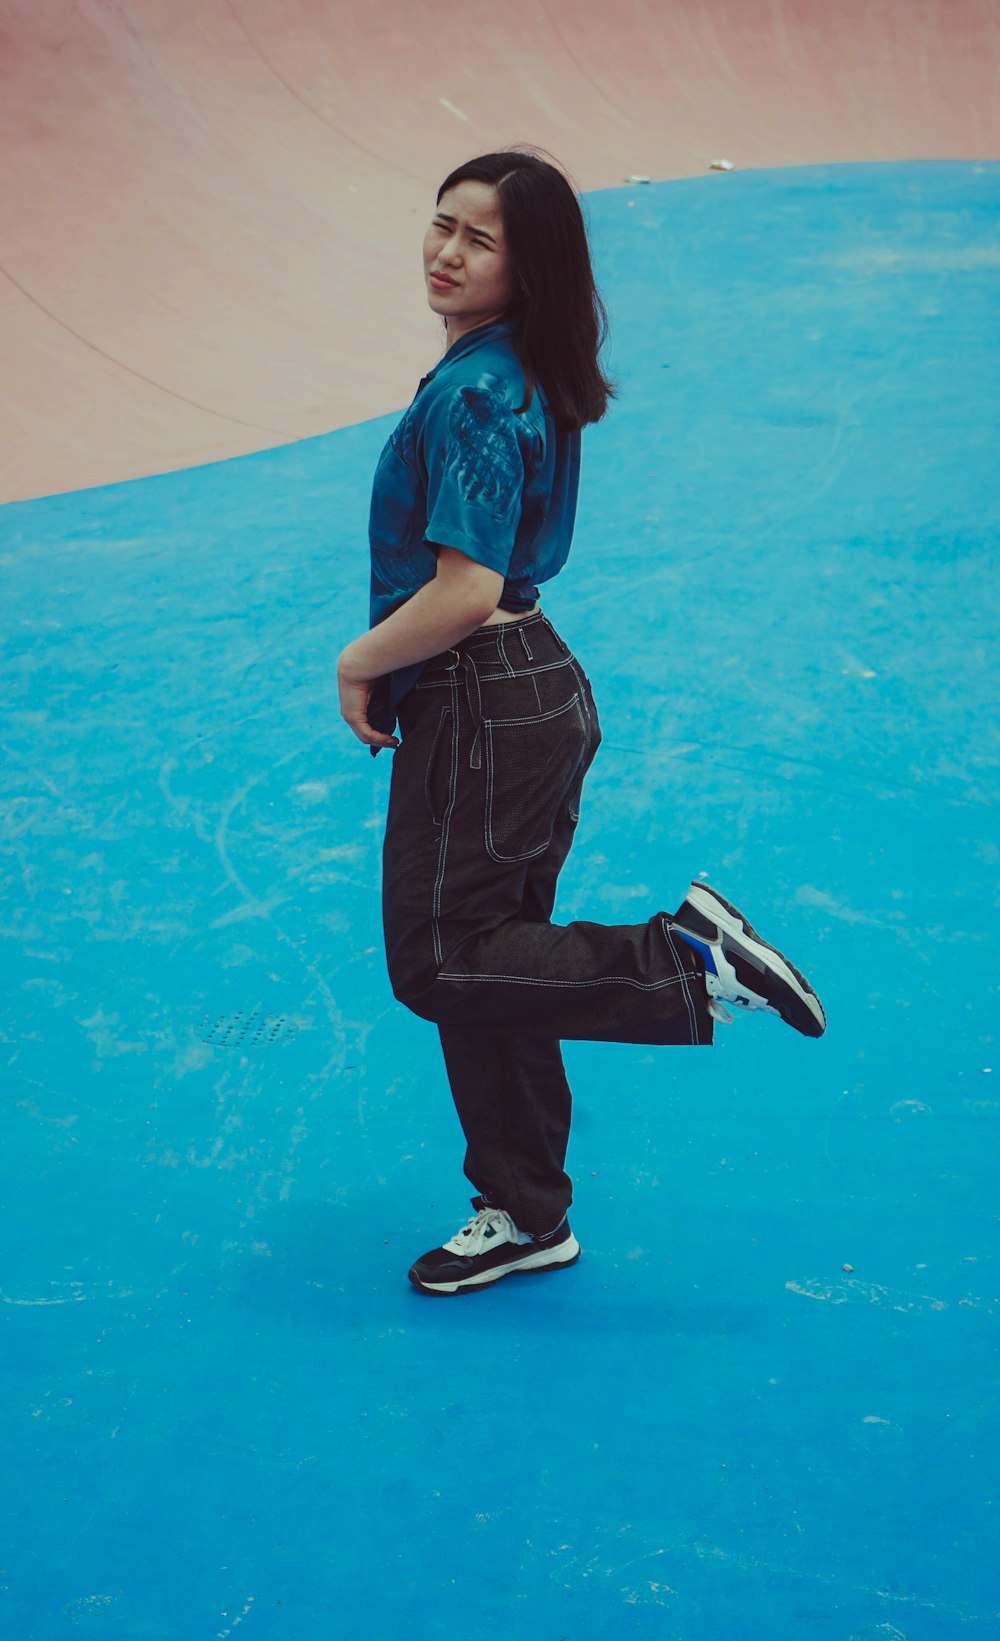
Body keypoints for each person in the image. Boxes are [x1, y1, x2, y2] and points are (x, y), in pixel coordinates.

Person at [336, 150, 826, 1297]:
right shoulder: (522, 369)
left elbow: (463, 586)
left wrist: (357, 663)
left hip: (479, 699)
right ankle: (525, 1210)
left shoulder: (472, 393)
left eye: (479, 239)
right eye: (440, 224)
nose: (445, 253)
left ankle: (682, 964)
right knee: (496, 962)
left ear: (530, 263)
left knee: (442, 960)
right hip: (535, 687)